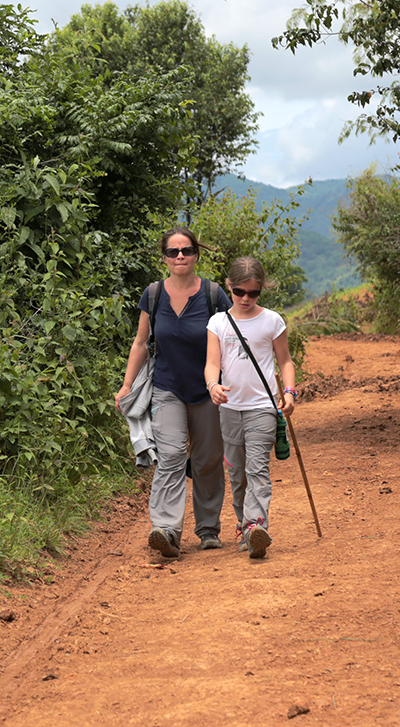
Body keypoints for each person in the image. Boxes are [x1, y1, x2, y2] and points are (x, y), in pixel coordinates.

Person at [115, 227, 232, 558]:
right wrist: (127, 386)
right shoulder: (153, 295)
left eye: (186, 250)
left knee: (208, 459)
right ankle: (166, 530)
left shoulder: (213, 294)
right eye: (172, 252)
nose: (180, 256)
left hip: (209, 390)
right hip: (166, 388)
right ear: (164, 257)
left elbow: (231, 340)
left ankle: (208, 528)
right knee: (170, 456)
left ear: (196, 254)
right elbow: (141, 342)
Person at [204, 256, 296, 560]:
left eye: (253, 293)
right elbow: (212, 363)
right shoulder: (218, 322)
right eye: (239, 292)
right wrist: (212, 386)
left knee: (257, 468)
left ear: (261, 290)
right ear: (229, 287)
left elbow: (284, 360)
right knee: (238, 473)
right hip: (229, 409)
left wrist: (289, 392)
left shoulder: (272, 320)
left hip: (262, 407)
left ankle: (257, 526)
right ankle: (245, 526)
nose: (245, 299)